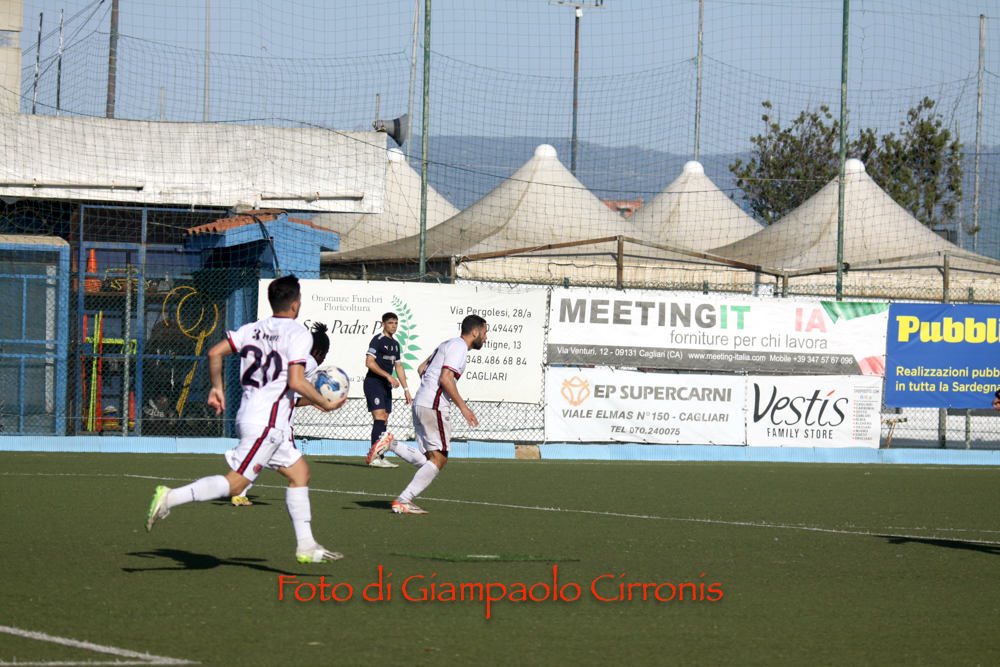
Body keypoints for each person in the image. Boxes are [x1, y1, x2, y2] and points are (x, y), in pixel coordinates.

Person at [145, 275, 347, 563]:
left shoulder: (252, 329)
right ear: (295, 304)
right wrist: (325, 402)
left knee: (300, 473)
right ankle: (170, 497)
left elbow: (214, 352)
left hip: (257, 418)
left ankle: (307, 546)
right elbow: (296, 381)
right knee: (236, 485)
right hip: (267, 423)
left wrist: (216, 387)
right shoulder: (299, 334)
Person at [367, 314, 487, 514]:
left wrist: (430, 389)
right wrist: (463, 407)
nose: (486, 337)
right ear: (475, 332)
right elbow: (446, 379)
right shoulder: (459, 347)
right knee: (440, 459)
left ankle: (391, 444)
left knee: (429, 460)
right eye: (484, 332)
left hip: (422, 401)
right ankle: (404, 500)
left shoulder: (447, 344)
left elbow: (422, 368)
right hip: (434, 405)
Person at [231, 321, 331, 506]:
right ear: (318, 351)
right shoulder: (309, 362)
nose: (324, 358)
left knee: (276, 457)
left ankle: (240, 488)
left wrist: (314, 401)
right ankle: (241, 457)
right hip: (281, 421)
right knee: (291, 463)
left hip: (270, 416)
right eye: (325, 353)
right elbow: (295, 389)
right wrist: (319, 400)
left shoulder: (295, 359)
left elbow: (292, 397)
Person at [363, 312, 411, 468]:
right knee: (379, 418)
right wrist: (388, 376)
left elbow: (398, 366)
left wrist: (406, 389)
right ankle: (374, 458)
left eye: (396, 323)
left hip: (386, 386)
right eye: (390, 323)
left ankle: (380, 456)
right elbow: (369, 362)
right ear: (383, 324)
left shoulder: (396, 344)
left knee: (384, 420)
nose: (394, 326)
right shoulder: (378, 340)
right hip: (373, 383)